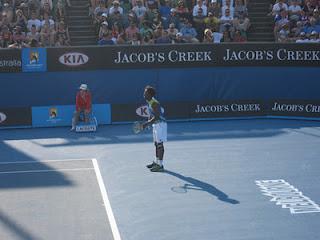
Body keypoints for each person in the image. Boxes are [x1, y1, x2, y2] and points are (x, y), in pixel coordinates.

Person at [141, 86, 167, 172]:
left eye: (145, 93)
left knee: (160, 145)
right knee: (156, 144)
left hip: (160, 125)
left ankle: (160, 165)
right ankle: (156, 162)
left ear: (149, 94)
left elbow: (157, 116)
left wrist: (147, 124)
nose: (144, 94)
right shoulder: (149, 102)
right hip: (155, 125)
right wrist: (149, 122)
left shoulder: (155, 103)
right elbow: (152, 114)